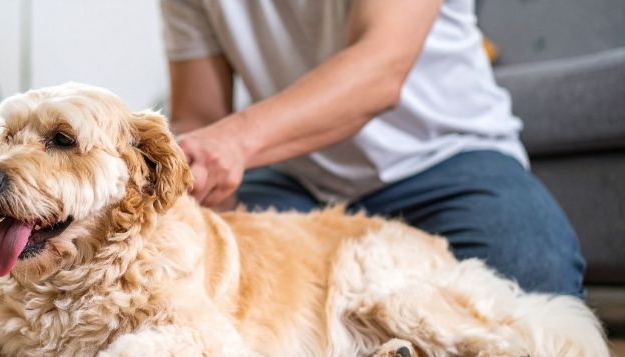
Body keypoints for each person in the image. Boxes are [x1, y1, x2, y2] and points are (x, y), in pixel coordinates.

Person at [159, 0, 585, 298]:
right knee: (224, 287)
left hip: (449, 158)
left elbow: (381, 68)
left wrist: (236, 140)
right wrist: (204, 229)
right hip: (299, 179)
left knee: (532, 277)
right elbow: (199, 116)